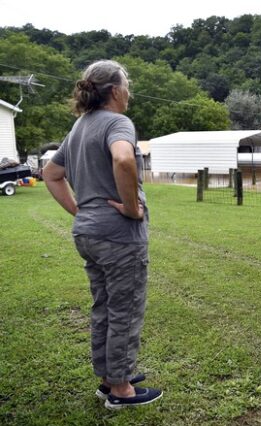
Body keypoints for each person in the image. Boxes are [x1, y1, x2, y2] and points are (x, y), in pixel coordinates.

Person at [43, 60, 162, 410]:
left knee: (104, 307)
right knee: (125, 308)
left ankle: (109, 377)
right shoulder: (117, 122)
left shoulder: (80, 126)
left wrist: (81, 212)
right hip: (118, 236)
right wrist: (131, 208)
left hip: (88, 235)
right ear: (113, 90)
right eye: (127, 85)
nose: (130, 93)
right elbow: (124, 160)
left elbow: (51, 173)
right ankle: (121, 390)